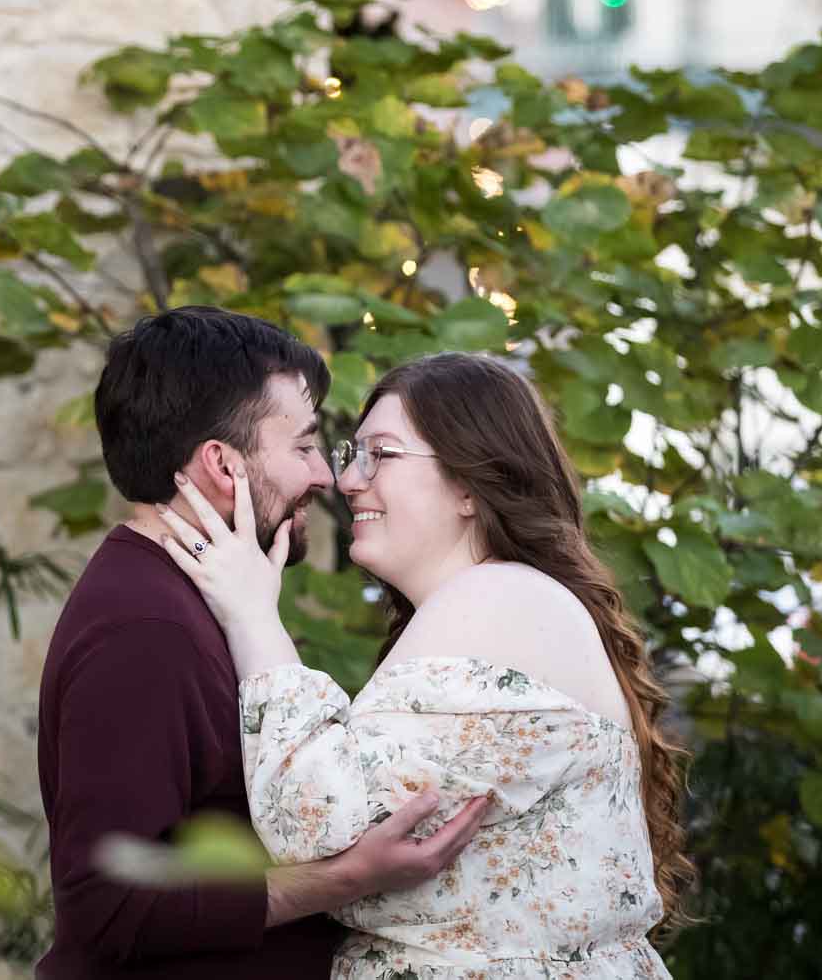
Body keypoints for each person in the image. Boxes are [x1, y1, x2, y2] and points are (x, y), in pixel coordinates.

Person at [151, 351, 693, 978]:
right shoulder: (498, 601)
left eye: (383, 454)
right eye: (353, 454)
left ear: (469, 484)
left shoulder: (497, 597)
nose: (349, 480)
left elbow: (313, 821)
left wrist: (252, 617)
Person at [36, 309, 491, 979]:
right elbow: (107, 907)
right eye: (304, 447)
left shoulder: (200, 600)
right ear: (223, 463)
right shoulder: (144, 632)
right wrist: (342, 878)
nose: (325, 476)